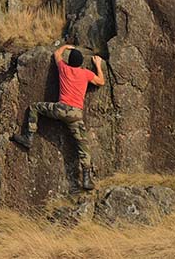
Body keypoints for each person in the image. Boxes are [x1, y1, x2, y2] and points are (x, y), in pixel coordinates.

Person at [11, 44, 105, 190]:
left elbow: (56, 54)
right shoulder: (85, 73)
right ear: (81, 63)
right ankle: (86, 179)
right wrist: (98, 65)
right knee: (83, 145)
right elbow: (101, 82)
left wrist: (66, 46)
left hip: (59, 109)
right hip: (75, 114)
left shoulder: (63, 68)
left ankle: (28, 137)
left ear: (69, 61)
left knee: (35, 107)